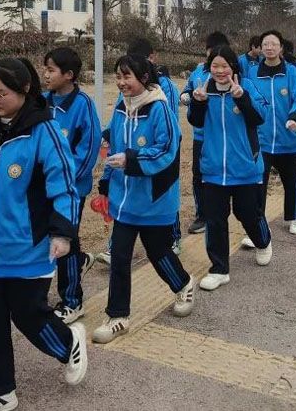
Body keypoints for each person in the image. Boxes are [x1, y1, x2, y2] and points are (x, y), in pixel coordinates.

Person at [0, 58, 87, 411]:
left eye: (1, 93)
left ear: (24, 90)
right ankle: (0, 392)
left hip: (30, 244)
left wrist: (62, 234)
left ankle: (68, 344)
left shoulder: (44, 131)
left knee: (29, 314)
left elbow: (64, 187)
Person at [93, 55, 195, 343]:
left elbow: (166, 149)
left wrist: (131, 158)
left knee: (159, 252)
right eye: (119, 76)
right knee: (120, 257)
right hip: (125, 198)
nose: (122, 82)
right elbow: (115, 141)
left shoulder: (160, 108)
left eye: (128, 77)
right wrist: (105, 181)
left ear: (144, 78)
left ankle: (184, 283)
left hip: (153, 198)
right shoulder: (121, 106)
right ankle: (117, 316)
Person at [188, 45, 272, 291]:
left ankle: (263, 241)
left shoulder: (246, 87)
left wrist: (241, 97)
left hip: (244, 166)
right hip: (214, 167)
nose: (220, 71)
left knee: (247, 213)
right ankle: (219, 268)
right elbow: (195, 121)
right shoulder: (204, 89)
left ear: (233, 67)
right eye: (215, 66)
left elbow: (260, 117)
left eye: (225, 66)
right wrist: (198, 102)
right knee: (215, 219)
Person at [42, 48, 102, 324]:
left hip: (71, 191)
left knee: (65, 240)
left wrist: (62, 182)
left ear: (69, 75)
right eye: (45, 68)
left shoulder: (83, 106)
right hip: (42, 191)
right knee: (49, 240)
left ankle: (72, 300)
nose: (46, 74)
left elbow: (88, 151)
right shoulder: (41, 103)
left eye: (51, 70)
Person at [245, 30, 296, 234]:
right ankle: (257, 226)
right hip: (261, 140)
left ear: (281, 47)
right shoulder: (252, 74)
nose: (269, 48)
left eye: (273, 44)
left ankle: (295, 216)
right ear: (260, 48)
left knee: (291, 181)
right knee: (258, 184)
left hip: (288, 138)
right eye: (265, 44)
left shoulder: (292, 72)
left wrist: (295, 118)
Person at [126, 38, 182, 253]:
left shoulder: (165, 86)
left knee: (165, 191)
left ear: (152, 58)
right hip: (137, 150)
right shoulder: (129, 90)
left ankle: (174, 236)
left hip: (165, 147)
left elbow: (169, 121)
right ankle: (117, 246)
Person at [180, 31, 230, 235]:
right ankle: (202, 215)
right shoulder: (199, 71)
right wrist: (186, 96)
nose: (214, 62)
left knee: (222, 175)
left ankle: (222, 212)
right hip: (201, 135)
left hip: (225, 136)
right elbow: (186, 90)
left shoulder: (233, 73)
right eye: (210, 54)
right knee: (198, 175)